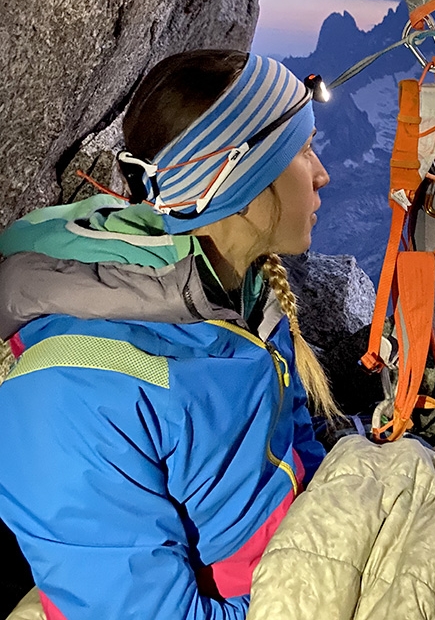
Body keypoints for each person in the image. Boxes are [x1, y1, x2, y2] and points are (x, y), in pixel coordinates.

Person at [0, 50, 337, 620]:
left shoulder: (238, 290)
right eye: (303, 151)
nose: (323, 172)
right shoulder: (70, 391)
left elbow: (296, 446)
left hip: (305, 556)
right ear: (240, 184)